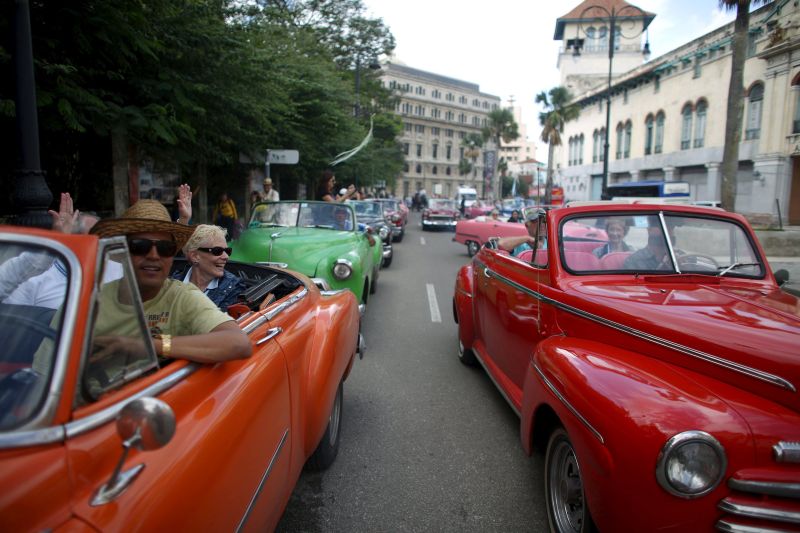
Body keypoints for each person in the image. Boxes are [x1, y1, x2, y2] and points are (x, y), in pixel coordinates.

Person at [89, 199, 252, 363]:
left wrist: (150, 346)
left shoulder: (181, 296)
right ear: (121, 251)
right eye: (140, 246)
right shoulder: (91, 302)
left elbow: (239, 343)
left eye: (164, 248)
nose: (153, 255)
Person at [171, 225, 245, 311]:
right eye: (217, 251)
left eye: (228, 251)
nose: (226, 256)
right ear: (194, 256)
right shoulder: (171, 284)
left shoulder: (234, 289)